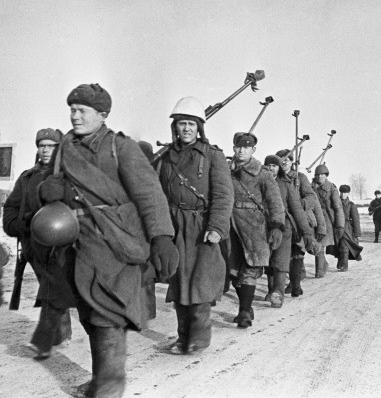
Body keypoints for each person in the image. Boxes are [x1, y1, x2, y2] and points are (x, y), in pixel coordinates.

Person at [38, 83, 178, 397]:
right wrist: (51, 188)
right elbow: (54, 182)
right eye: (72, 109)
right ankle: (103, 379)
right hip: (76, 243)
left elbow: (149, 194)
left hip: (114, 242)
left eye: (82, 110)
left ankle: (109, 389)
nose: (74, 116)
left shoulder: (121, 147)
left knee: (107, 316)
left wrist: (162, 237)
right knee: (89, 316)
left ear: (102, 115)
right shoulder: (65, 148)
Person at [156, 96, 234, 354]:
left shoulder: (213, 156)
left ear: (199, 127)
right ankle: (182, 337)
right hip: (174, 227)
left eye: (191, 124)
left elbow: (224, 195)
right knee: (178, 285)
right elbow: (157, 194)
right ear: (174, 127)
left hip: (202, 227)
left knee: (200, 285)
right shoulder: (166, 158)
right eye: (181, 124)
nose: (186, 129)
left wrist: (217, 227)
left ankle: (198, 338)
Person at [3, 128, 72, 360]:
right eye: (41, 145)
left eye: (51, 146)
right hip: (33, 245)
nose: (45, 150)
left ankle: (43, 341)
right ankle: (61, 332)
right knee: (50, 286)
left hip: (60, 245)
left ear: (58, 149)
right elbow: (11, 207)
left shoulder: (66, 176)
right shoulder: (26, 177)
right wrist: (16, 225)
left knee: (52, 288)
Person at [228, 133, 285, 327]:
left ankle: (244, 311)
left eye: (246, 147)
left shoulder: (262, 173)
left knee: (250, 269)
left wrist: (277, 226)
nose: (241, 150)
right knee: (233, 272)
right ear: (234, 148)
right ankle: (246, 304)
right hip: (230, 227)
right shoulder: (225, 171)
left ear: (253, 150)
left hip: (255, 228)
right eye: (238, 147)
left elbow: (275, 202)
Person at [263, 155, 314, 306]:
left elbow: (297, 209)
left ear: (279, 168)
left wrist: (306, 232)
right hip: (264, 225)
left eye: (274, 165)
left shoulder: (286, 184)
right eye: (268, 165)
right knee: (268, 260)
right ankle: (271, 289)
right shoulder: (259, 182)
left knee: (280, 259)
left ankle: (278, 292)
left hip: (284, 226)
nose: (271, 168)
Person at [275, 149, 326, 297]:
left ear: (292, 162)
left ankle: (295, 284)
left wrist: (297, 204)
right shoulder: (273, 177)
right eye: (281, 160)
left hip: (299, 219)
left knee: (297, 251)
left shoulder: (300, 178)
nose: (284, 163)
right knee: (282, 252)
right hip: (282, 219)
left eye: (287, 160)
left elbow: (311, 197)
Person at [312, 164, 345, 277]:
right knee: (315, 243)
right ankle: (322, 265)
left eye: (322, 174)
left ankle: (320, 268)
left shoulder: (332, 188)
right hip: (313, 218)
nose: (320, 176)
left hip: (327, 220)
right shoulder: (311, 187)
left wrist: (340, 225)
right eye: (318, 174)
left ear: (326, 175)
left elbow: (338, 207)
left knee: (320, 242)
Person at [334, 185, 362, 271]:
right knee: (337, 245)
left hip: (347, 228)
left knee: (344, 245)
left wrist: (357, 233)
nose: (343, 194)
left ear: (348, 193)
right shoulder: (335, 203)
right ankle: (340, 261)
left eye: (345, 192)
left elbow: (356, 220)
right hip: (336, 227)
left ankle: (344, 265)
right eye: (341, 192)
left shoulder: (351, 205)